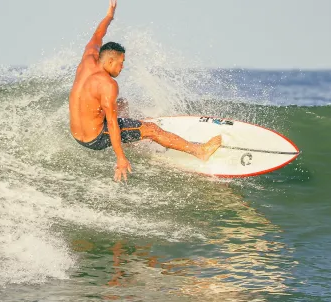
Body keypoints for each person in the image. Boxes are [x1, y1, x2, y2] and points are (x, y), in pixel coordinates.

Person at [69, 0, 221, 182]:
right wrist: (120, 158)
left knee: (122, 103)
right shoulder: (108, 85)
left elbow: (97, 34)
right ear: (110, 61)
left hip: (77, 132)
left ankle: (133, 137)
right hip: (95, 137)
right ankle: (199, 151)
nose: (122, 67)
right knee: (152, 129)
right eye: (121, 62)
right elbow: (112, 123)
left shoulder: (88, 58)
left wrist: (109, 15)